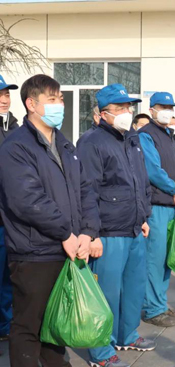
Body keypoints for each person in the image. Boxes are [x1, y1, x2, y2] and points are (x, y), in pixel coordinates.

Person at [0, 74, 100, 367]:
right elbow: (27, 200)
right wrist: (66, 233)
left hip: (67, 247)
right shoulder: (16, 147)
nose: (60, 105)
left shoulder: (64, 143)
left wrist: (87, 232)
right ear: (32, 104)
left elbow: (85, 190)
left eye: (61, 100)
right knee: (28, 326)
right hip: (34, 251)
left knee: (54, 325)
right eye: (52, 99)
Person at [78, 84, 156, 367]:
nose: (127, 113)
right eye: (120, 108)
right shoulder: (91, 142)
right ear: (102, 114)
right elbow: (86, 190)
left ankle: (127, 334)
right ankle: (101, 351)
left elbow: (142, 180)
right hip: (108, 232)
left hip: (134, 227)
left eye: (128, 107)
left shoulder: (131, 138)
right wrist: (92, 234)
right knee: (106, 295)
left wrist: (144, 216)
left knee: (133, 288)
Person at [139, 92, 175, 325]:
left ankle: (160, 303)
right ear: (151, 110)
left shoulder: (168, 136)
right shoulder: (146, 135)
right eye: (162, 106)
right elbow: (153, 170)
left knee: (166, 260)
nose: (168, 111)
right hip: (157, 205)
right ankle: (152, 309)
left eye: (171, 107)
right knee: (154, 260)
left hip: (172, 203)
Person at [0, 74, 18, 345]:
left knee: (7, 278)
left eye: (6, 94)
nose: (4, 99)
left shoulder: (15, 129)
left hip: (10, 218)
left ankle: (5, 326)